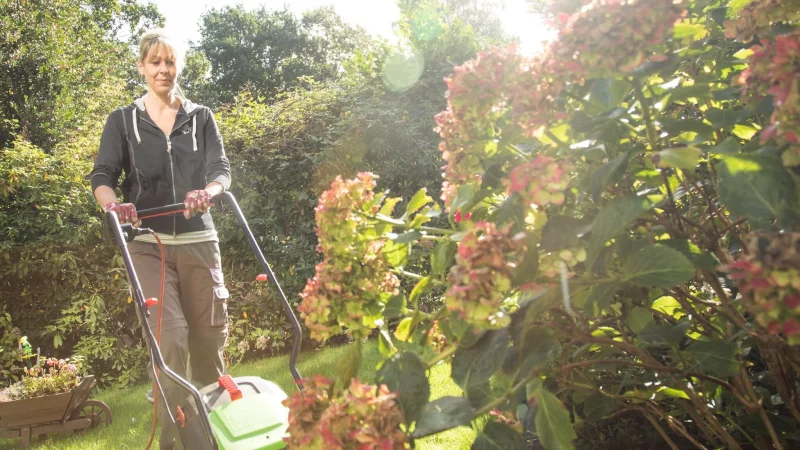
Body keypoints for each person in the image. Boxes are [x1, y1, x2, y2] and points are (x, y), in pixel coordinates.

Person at [90, 28, 231, 449]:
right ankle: (175, 443)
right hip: (148, 245)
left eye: (170, 61)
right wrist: (114, 206)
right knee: (169, 340)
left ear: (178, 66)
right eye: (155, 62)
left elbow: (220, 170)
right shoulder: (123, 121)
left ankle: (217, 437)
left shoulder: (200, 116)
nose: (163, 70)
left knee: (209, 343)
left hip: (199, 242)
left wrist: (209, 192)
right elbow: (102, 176)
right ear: (141, 67)